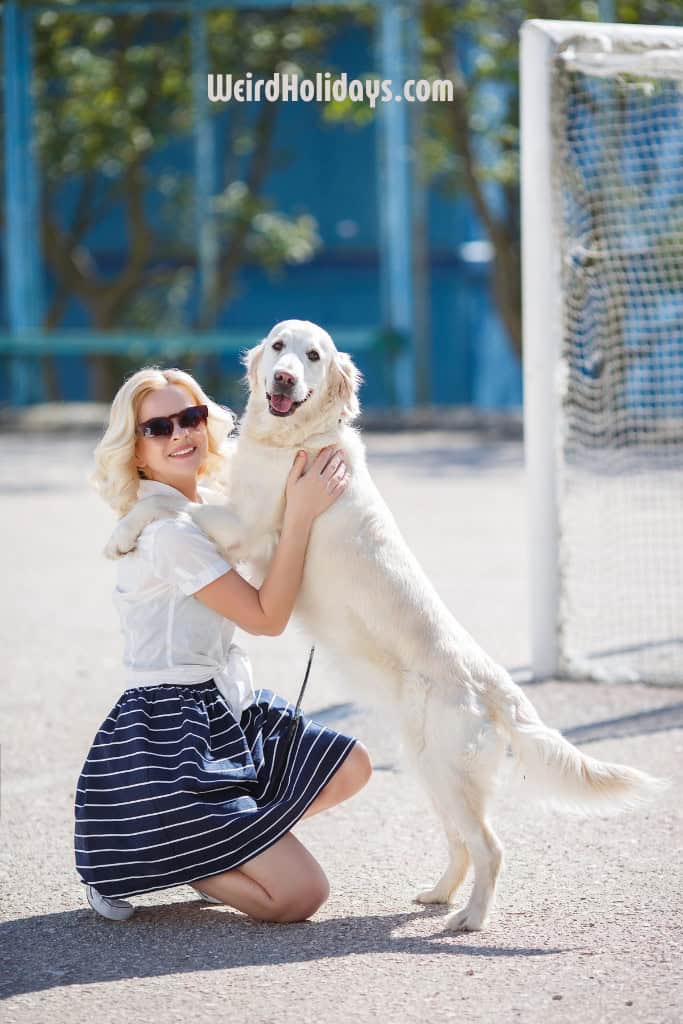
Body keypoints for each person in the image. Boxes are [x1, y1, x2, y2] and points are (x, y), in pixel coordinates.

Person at [75, 365, 372, 924]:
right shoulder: (169, 534)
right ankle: (186, 858)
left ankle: (222, 846)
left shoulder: (201, 507)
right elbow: (266, 618)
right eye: (157, 428)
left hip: (222, 706)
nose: (180, 433)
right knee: (301, 895)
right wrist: (302, 515)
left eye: (190, 418)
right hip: (169, 731)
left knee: (350, 766)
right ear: (135, 452)